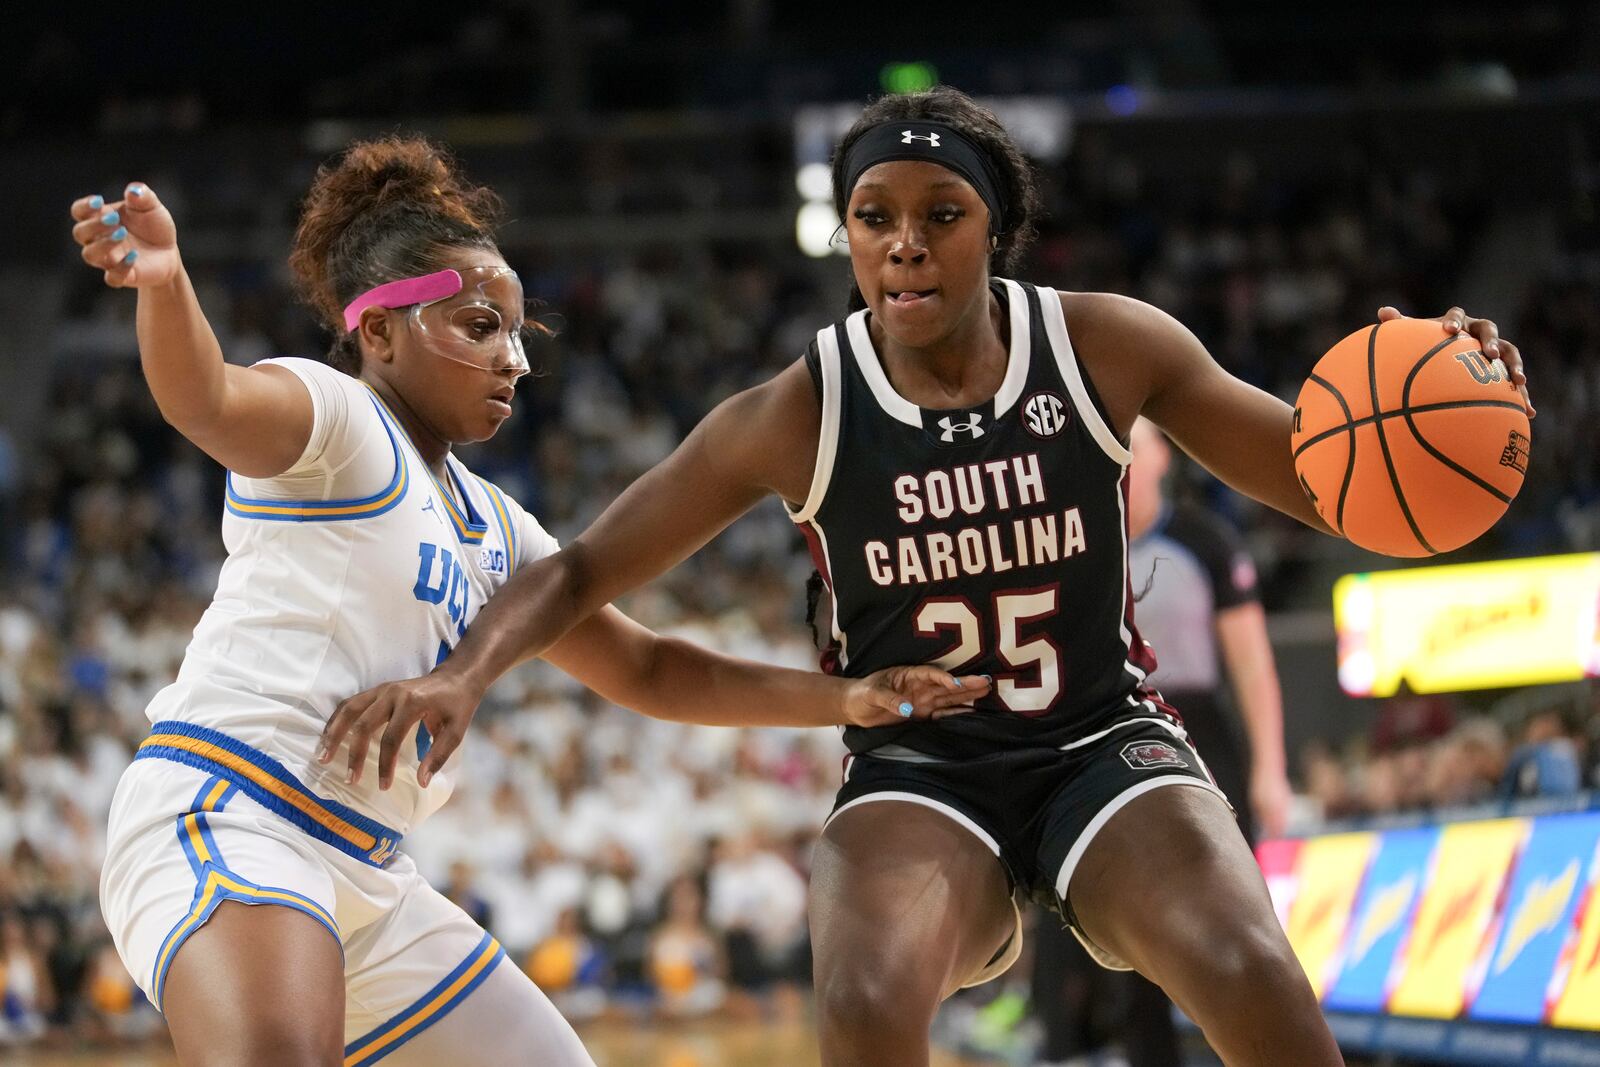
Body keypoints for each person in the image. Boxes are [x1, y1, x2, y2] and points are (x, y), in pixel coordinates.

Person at [322, 89, 1533, 1067]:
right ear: (847, 232)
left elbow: (1336, 492)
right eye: (873, 214)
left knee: (1248, 963)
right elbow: (584, 564)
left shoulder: (1107, 344)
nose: (903, 240)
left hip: (1099, 741)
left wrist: (1451, 420)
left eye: (939, 211)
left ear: (993, 231)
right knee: (857, 994)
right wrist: (465, 673)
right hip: (918, 765)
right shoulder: (800, 407)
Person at [70, 136, 986, 1067]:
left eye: (517, 332)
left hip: (371, 870)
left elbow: (648, 666)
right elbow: (208, 400)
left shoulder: (497, 523)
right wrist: (166, 284)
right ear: (377, 332)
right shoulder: (337, 419)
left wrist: (846, 699)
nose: (513, 358)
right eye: (478, 327)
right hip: (232, 810)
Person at [1029, 416, 1292, 1067]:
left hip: (1200, 730)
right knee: (1111, 924)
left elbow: (1254, 666)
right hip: (1105, 730)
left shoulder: (1204, 541)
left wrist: (1271, 768)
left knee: (1226, 919)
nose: (1118, 458)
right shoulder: (1075, 541)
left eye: (1132, 445)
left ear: (1163, 458)